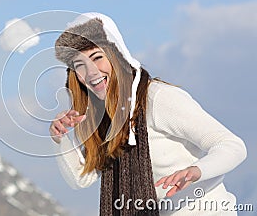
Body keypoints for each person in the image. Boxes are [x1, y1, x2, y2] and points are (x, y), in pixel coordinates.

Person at [49, 12, 247, 215]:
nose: (90, 72)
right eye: (79, 65)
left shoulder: (158, 98)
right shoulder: (104, 118)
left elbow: (232, 146)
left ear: (117, 55)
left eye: (97, 58)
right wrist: (60, 138)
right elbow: (81, 178)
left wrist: (196, 171)